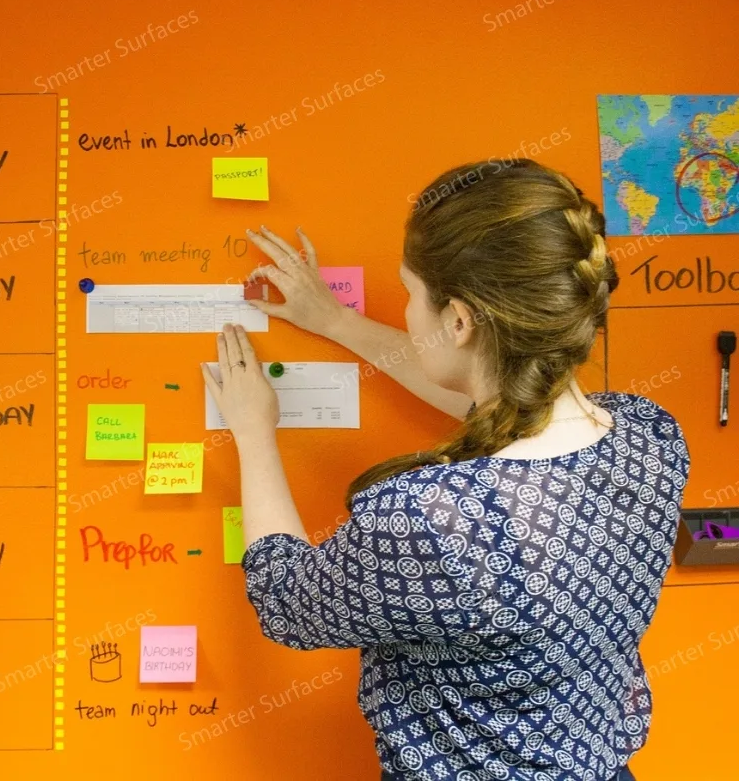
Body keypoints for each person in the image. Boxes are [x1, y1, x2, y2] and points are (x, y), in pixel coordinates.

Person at [201, 158, 691, 781]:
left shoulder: (433, 519)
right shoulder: (650, 437)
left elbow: (286, 600)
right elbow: (504, 405)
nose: (406, 309)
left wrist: (252, 431)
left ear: (458, 321)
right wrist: (336, 321)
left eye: (409, 293)